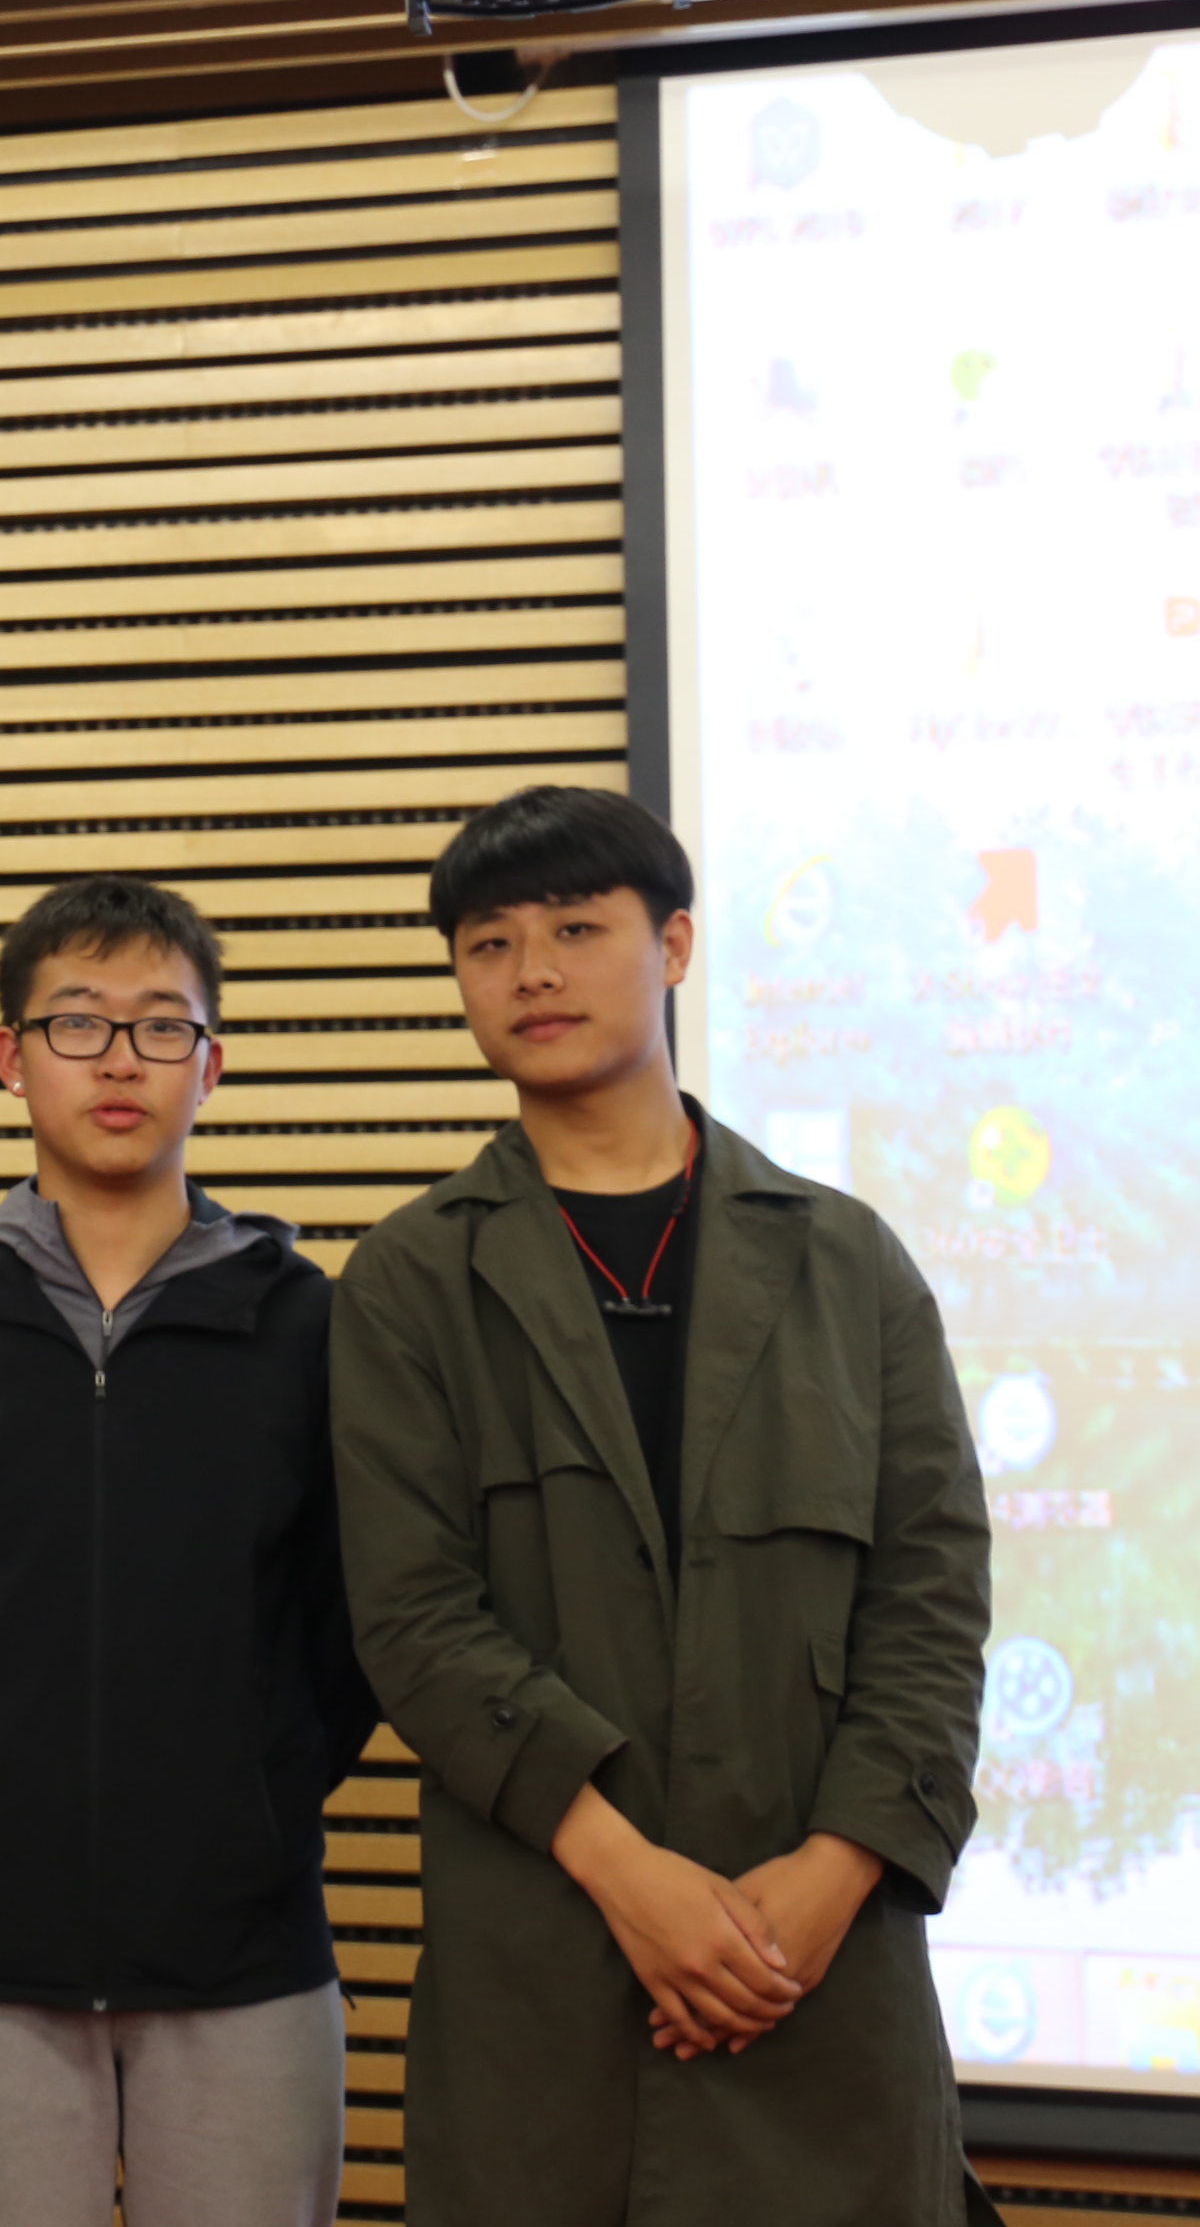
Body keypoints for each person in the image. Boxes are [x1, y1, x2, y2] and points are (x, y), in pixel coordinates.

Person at [331, 786, 997, 2227]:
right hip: (547, 1964)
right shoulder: (409, 1281)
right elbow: (412, 1617)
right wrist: (633, 1878)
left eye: (578, 929)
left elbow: (932, 1600)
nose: (534, 972)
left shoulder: (848, 1263)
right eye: (490, 944)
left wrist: (829, 1877)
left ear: (676, 945)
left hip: (818, 1973)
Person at [0, 875, 375, 2227]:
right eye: (77, 1022)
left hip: (244, 1955)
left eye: (161, 1026)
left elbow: (359, 1623)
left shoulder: (311, 1326)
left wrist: (254, 1796)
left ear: (211, 1063)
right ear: (11, 1056)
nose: (120, 1059)